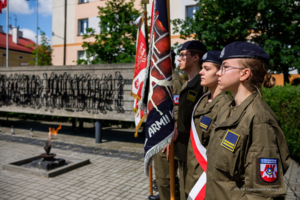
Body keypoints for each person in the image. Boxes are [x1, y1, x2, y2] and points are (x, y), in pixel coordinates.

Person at [205, 41, 290, 200]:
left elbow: (262, 194)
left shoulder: (260, 119)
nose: (218, 72)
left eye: (225, 67)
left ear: (244, 74)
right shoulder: (227, 109)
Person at [185, 51, 233, 198]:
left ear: (219, 72)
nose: (201, 72)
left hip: (204, 179)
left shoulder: (224, 105)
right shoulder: (204, 99)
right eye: (202, 68)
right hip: (192, 173)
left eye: (207, 69)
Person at [151, 51, 183, 200]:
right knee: (160, 177)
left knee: (166, 180)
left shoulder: (173, 80)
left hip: (167, 138)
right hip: (158, 135)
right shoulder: (160, 79)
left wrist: (170, 136)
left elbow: (177, 111)